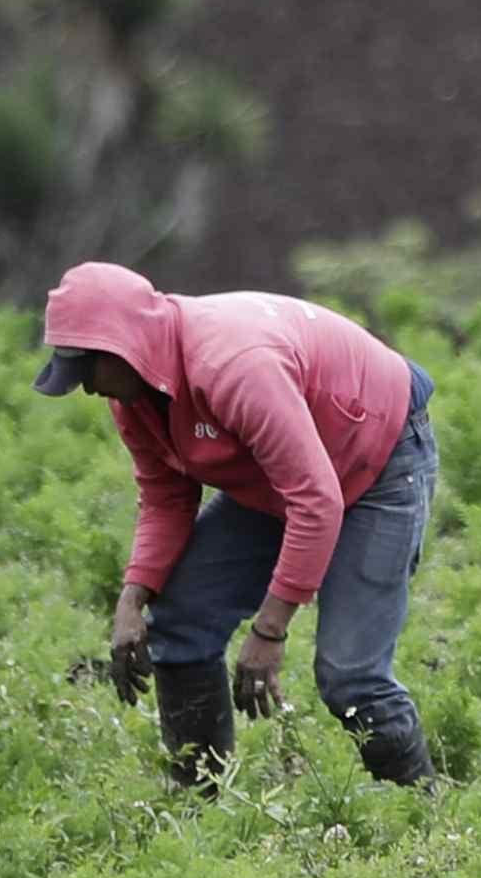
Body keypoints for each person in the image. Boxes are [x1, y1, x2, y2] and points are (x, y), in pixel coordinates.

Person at [36, 259, 439, 789]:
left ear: (125, 346)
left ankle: (423, 818)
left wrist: (269, 631)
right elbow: (165, 497)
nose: (87, 388)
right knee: (178, 621)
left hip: (375, 463)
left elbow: (316, 501)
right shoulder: (133, 396)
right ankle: (198, 805)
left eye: (88, 369)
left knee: (350, 676)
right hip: (279, 479)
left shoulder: (234, 366)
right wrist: (132, 600)